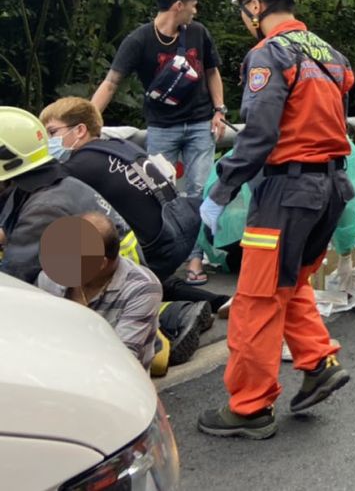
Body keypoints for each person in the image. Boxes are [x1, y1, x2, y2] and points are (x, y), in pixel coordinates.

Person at [196, 0, 354, 440]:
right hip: (330, 189)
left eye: (245, 9)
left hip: (287, 191)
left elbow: (261, 133)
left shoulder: (268, 55)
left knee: (255, 300)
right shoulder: (330, 54)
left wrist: (221, 189)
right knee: (289, 284)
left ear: (254, 4)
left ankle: (249, 407)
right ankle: (318, 362)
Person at [39, 96, 224, 365]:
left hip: (155, 249)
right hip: (177, 230)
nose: (49, 141)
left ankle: (172, 318)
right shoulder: (117, 147)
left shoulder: (78, 167)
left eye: (53, 133)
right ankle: (218, 301)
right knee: (148, 276)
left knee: (88, 272)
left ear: (79, 130)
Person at [91, 0, 226, 285]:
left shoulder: (198, 33)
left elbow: (212, 72)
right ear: (178, 6)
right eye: (193, 5)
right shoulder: (139, 40)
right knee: (157, 196)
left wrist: (219, 110)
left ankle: (195, 260)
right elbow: (111, 82)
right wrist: (86, 119)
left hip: (200, 123)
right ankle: (161, 260)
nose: (196, 10)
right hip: (161, 126)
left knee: (199, 192)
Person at [0, 107, 136, 284]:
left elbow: (14, 277)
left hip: (108, 295)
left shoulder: (45, 207)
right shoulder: (41, 183)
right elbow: (6, 229)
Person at [37, 212, 163, 370]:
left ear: (100, 263)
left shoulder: (141, 288)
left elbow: (122, 362)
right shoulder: (51, 277)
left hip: (112, 382)